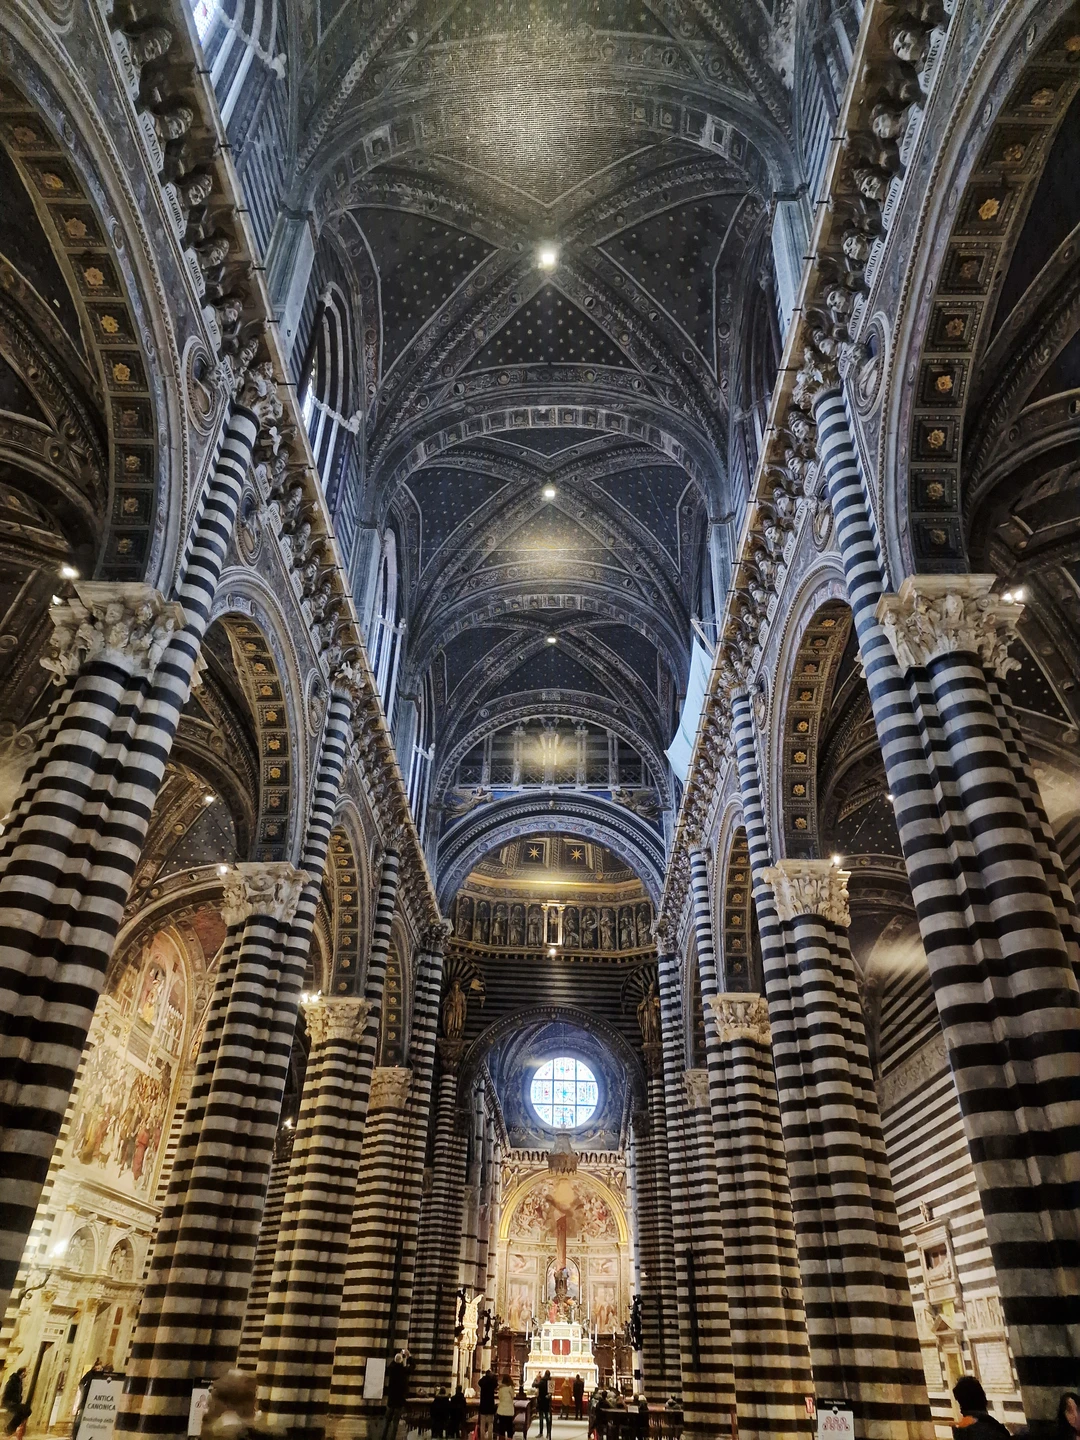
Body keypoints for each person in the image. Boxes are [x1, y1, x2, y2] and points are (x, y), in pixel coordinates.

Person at [381, 1351, 412, 1440]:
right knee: (395, 1423)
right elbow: (413, 1366)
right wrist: (409, 1356)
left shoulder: (392, 1369)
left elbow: (392, 1364)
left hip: (391, 1401)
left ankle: (383, 1437)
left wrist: (398, 1355)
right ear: (401, 1361)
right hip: (399, 1402)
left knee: (387, 1422)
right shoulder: (403, 1371)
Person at [2, 1369, 29, 1440]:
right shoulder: (12, 1381)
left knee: (26, 1410)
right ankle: (9, 1429)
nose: (26, 1374)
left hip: (14, 1403)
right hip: (9, 1403)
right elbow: (7, 1393)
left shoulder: (19, 1382)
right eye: (25, 1373)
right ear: (21, 1373)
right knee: (24, 1410)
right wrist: (12, 1401)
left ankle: (12, 1429)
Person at [478, 1369, 498, 1440]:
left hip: (483, 1405)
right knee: (490, 1423)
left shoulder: (483, 1382)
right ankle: (490, 1437)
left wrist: (485, 1377)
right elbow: (496, 1384)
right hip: (490, 1405)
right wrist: (493, 1377)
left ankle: (482, 1437)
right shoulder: (492, 1382)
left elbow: (479, 1382)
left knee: (482, 1424)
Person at [535, 1371, 552, 1440]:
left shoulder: (542, 1381)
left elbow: (534, 1385)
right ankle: (548, 1433)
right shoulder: (550, 1381)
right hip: (547, 1402)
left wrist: (536, 1379)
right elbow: (551, 1391)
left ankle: (541, 1432)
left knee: (541, 1418)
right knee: (548, 1418)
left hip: (541, 1401)